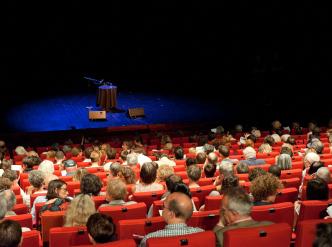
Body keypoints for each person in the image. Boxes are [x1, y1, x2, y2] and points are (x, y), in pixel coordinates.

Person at [139, 192, 204, 247]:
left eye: (164, 206)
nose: (163, 209)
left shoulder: (149, 239)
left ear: (171, 213)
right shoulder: (202, 234)